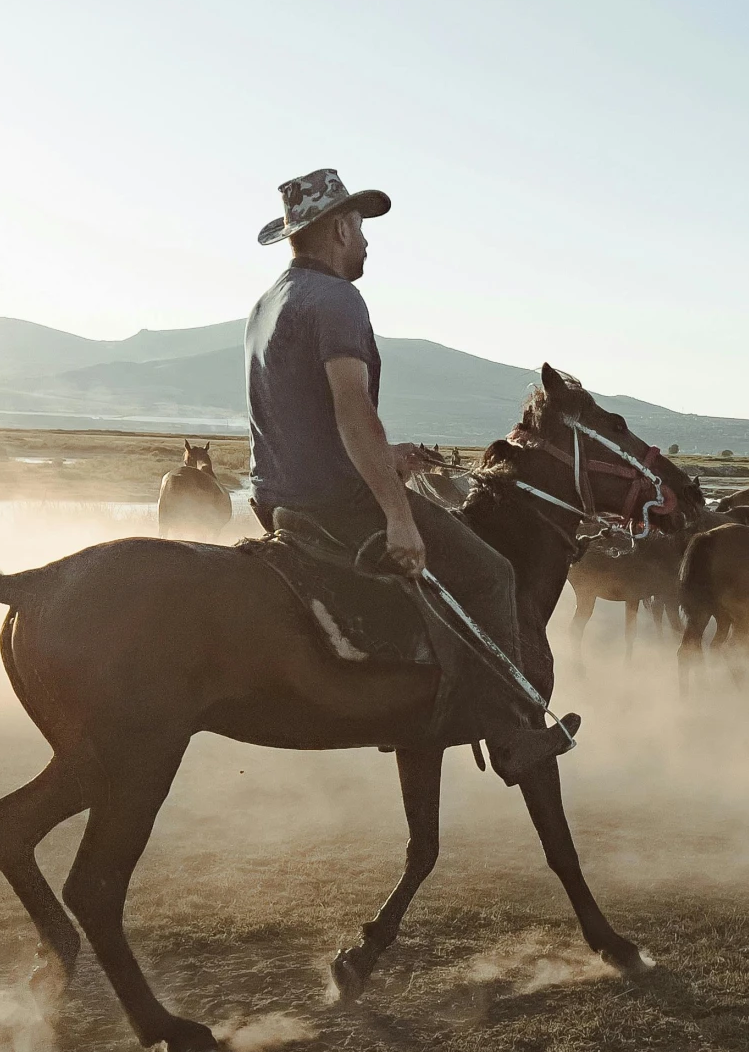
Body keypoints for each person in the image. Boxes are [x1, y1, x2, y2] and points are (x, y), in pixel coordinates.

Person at [245, 167, 577, 781]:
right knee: (491, 574)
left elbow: (302, 417)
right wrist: (398, 515)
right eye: (362, 228)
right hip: (337, 502)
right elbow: (351, 407)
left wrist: (390, 456)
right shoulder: (339, 299)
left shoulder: (270, 302)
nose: (368, 241)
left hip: (278, 500)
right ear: (340, 228)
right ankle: (512, 736)